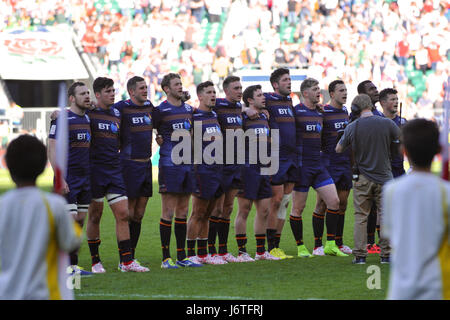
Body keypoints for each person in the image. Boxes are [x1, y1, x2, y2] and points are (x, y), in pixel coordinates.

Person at [0, 135, 81, 300]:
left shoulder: (3, 205)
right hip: (47, 293)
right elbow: (72, 243)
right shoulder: (54, 205)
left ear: (7, 164)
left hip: (8, 292)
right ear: (43, 167)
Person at [86, 77, 148, 273]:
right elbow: (72, 112)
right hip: (95, 171)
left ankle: (127, 261)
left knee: (123, 214)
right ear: (97, 95)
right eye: (107, 91)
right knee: (95, 216)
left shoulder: (117, 113)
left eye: (113, 90)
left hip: (114, 170)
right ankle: (96, 261)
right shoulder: (89, 112)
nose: (112, 94)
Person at [382, 118, 450, 299]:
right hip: (438, 286)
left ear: (403, 151)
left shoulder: (391, 190)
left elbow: (387, 233)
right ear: (439, 150)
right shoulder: (445, 192)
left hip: (401, 288)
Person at [336, 93, 400, 264]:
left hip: (362, 178)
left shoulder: (352, 127)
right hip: (385, 177)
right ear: (371, 106)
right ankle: (386, 254)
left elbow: (338, 149)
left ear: (355, 109)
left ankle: (360, 255)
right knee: (386, 216)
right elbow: (401, 141)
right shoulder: (387, 123)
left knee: (361, 217)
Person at [290, 78, 346, 258]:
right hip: (301, 167)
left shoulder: (320, 113)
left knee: (334, 202)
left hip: (318, 165)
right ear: (305, 93)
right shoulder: (296, 112)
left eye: (318, 89)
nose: (318, 92)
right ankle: (300, 247)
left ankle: (329, 244)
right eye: (314, 89)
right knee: (298, 208)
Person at [47, 81, 93, 276]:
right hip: (68, 178)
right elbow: (51, 147)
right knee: (70, 221)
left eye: (88, 93)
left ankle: (72, 265)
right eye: (82, 94)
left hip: (85, 178)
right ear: (72, 98)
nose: (87, 96)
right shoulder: (62, 119)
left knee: (79, 222)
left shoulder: (89, 118)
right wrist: (59, 177)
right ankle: (62, 265)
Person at [152, 73, 194, 269]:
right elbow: (148, 126)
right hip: (169, 165)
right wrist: (157, 137)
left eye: (181, 83)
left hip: (187, 165)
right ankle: (165, 258)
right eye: (176, 84)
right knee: (168, 211)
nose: (180, 86)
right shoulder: (160, 110)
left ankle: (181, 256)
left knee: (183, 211)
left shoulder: (188, 109)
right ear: (167, 89)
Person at [234, 84, 280, 261]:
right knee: (244, 210)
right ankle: (242, 251)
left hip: (264, 167)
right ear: (250, 100)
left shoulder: (264, 116)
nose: (264, 98)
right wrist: (244, 109)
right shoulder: (243, 117)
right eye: (259, 95)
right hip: (248, 168)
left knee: (264, 210)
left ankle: (261, 252)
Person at [114, 76, 154, 265]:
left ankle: (132, 256)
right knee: (127, 213)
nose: (145, 90)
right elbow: (100, 112)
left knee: (139, 214)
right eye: (141, 88)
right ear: (131, 91)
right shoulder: (121, 108)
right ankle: (125, 259)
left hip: (146, 165)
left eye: (146, 87)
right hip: (129, 165)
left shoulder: (150, 107)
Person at [186, 81, 225, 265]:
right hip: (202, 171)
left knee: (210, 213)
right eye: (209, 92)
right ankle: (190, 253)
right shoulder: (193, 116)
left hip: (217, 170)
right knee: (198, 213)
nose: (213, 95)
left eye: (214, 92)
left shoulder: (215, 115)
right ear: (200, 96)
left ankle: (203, 254)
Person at [312, 80, 353, 255]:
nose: (345, 93)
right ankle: (317, 245)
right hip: (328, 163)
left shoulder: (345, 112)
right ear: (332, 93)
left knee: (342, 204)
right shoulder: (323, 112)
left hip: (344, 164)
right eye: (341, 90)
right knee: (322, 204)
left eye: (346, 90)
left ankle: (338, 242)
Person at [207, 75, 243, 263]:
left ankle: (223, 250)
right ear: (227, 91)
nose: (239, 91)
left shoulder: (239, 107)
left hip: (236, 164)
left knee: (228, 208)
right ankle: (211, 250)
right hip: (221, 165)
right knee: (217, 209)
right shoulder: (218, 105)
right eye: (236, 88)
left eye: (240, 87)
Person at [264, 68, 297, 259]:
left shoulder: (290, 101)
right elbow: (246, 105)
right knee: (275, 201)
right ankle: (269, 247)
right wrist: (249, 109)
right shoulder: (267, 100)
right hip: (275, 158)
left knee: (285, 201)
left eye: (290, 79)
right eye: (285, 80)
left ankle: (276, 245)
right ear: (275, 84)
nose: (289, 82)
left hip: (291, 157)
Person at [355, 80, 383, 254]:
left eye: (376, 88)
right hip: (365, 168)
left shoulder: (379, 114)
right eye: (372, 89)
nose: (376, 91)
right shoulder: (357, 117)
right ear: (363, 95)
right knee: (367, 208)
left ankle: (374, 243)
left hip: (380, 166)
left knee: (378, 207)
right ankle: (367, 244)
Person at [379, 88, 407, 178]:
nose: (396, 102)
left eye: (397, 99)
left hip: (400, 171)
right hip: (382, 172)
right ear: (383, 103)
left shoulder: (403, 122)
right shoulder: (377, 122)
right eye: (392, 99)